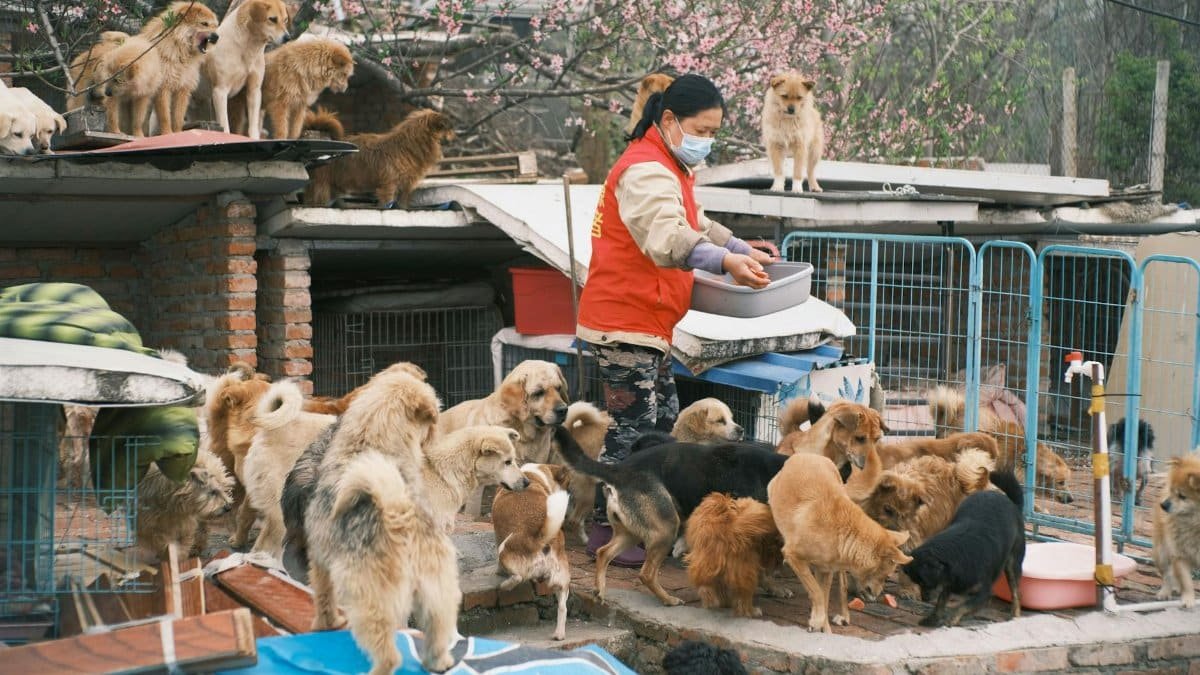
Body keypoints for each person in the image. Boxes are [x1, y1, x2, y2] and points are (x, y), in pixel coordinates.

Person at [576, 73, 774, 559]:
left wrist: (741, 246)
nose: (706, 142)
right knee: (630, 431)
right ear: (668, 120)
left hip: (648, 323)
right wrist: (726, 262)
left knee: (658, 426)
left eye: (713, 133)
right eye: (701, 130)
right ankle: (611, 530)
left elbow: (697, 221)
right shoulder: (645, 169)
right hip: (625, 321)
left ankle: (649, 524)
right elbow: (667, 235)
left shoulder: (669, 166)